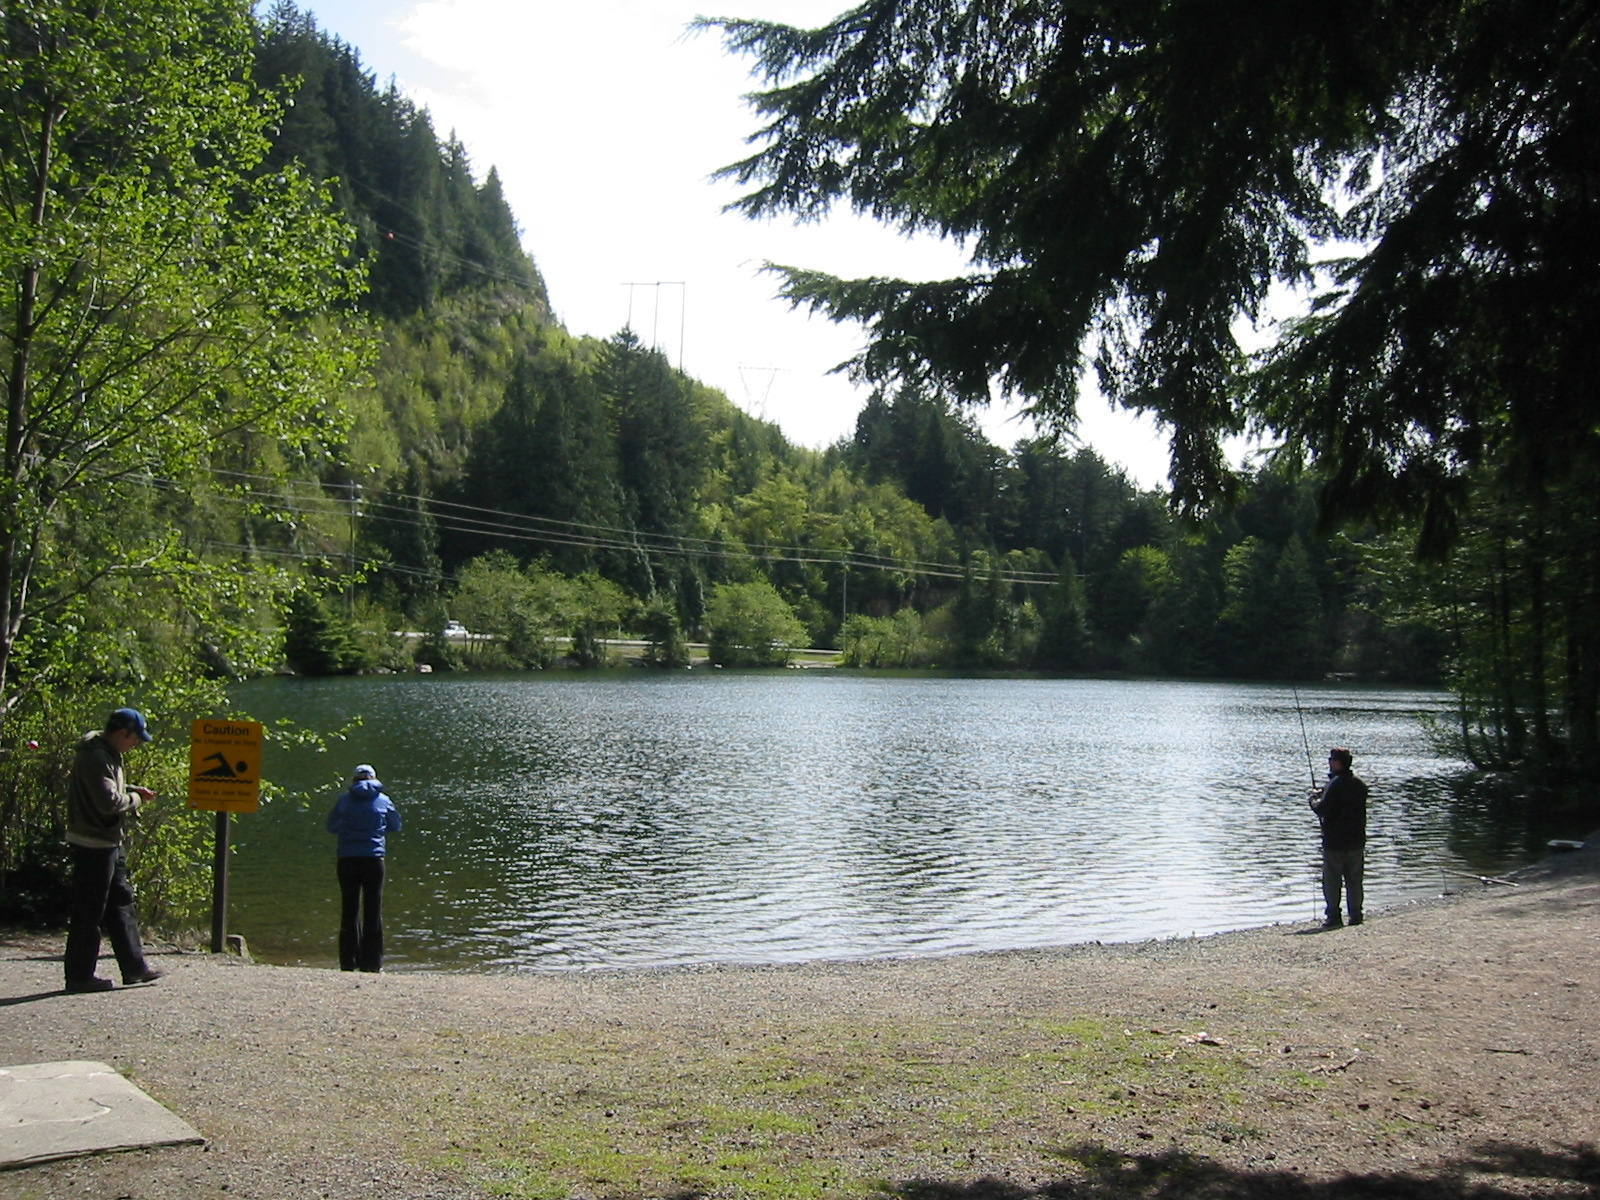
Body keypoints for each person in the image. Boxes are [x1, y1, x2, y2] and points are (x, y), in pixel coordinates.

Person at [63, 707, 165, 992]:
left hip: (109, 841)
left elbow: (105, 788)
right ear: (123, 733)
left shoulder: (106, 752)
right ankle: (79, 976)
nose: (137, 744)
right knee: (89, 911)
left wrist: (131, 788)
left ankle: (135, 968)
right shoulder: (95, 756)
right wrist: (135, 798)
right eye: (135, 738)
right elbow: (108, 802)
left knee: (121, 901)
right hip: (93, 843)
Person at [326, 764, 401, 972]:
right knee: (373, 910)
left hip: (347, 859)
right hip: (374, 859)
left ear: (354, 780)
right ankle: (372, 963)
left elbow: (331, 827)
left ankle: (348, 962)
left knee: (349, 910)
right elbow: (396, 826)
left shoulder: (343, 801)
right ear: (374, 779)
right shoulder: (383, 800)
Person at [1309, 746, 1369, 929]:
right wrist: (1325, 792)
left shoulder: (1334, 785)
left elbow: (1322, 809)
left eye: (1331, 759)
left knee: (1332, 880)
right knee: (1354, 880)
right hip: (1356, 840)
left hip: (1335, 842)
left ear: (1337, 763)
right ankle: (1356, 915)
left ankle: (1334, 917)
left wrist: (1312, 799)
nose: (1329, 762)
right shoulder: (1360, 784)